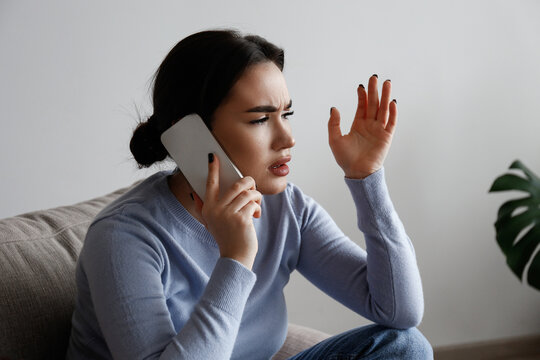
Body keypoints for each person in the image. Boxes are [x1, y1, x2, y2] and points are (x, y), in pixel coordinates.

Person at [66, 29, 433, 359]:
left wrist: (366, 179)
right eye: (260, 119)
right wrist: (236, 259)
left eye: (286, 114)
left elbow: (399, 310)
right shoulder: (123, 238)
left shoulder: (287, 208)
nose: (287, 138)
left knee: (405, 347)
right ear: (191, 135)